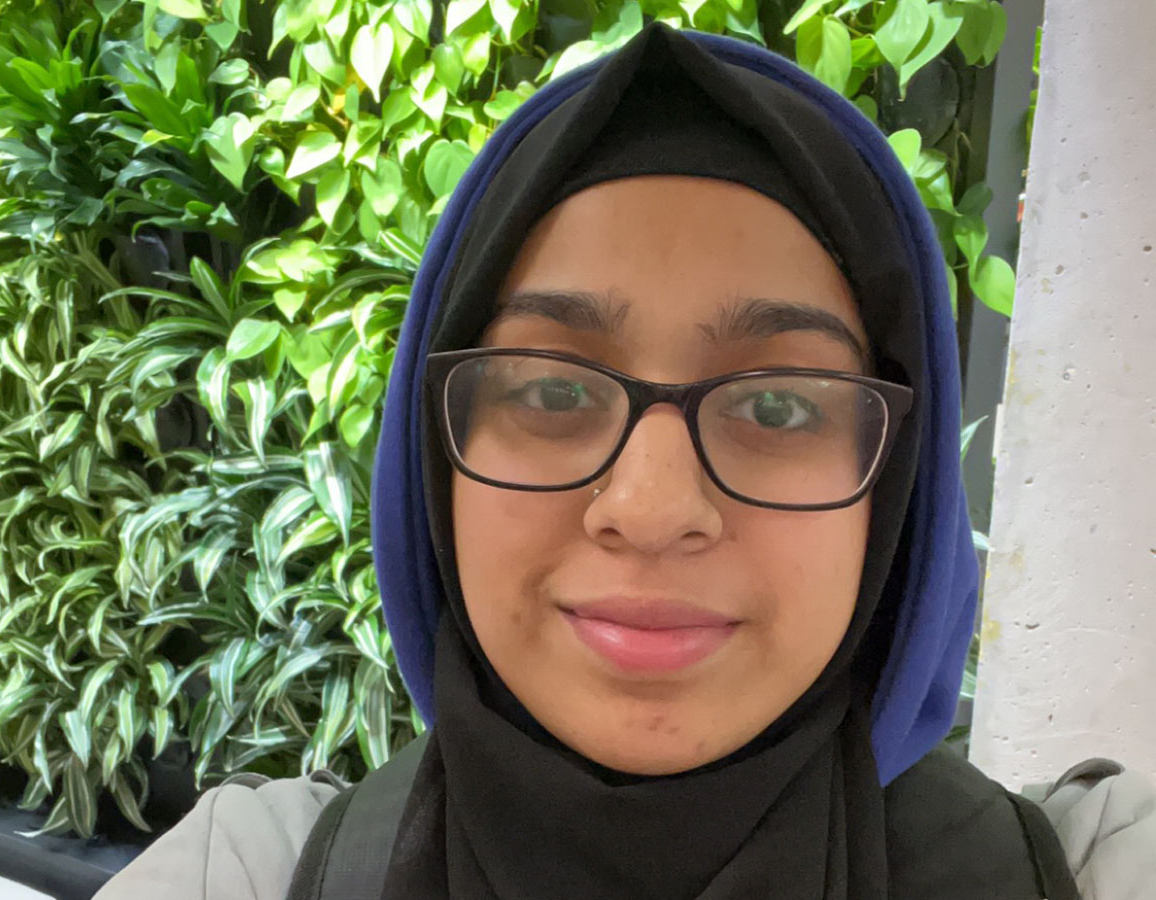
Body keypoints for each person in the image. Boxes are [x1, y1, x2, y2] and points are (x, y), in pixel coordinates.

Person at [93, 21, 1155, 900]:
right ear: (434, 464)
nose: (650, 508)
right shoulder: (252, 874)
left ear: (898, 494)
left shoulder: (1086, 869)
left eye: (780, 403)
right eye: (552, 391)